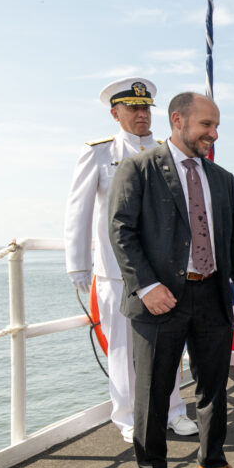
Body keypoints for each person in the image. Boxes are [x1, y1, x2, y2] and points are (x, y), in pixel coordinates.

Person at [108, 92, 234, 468]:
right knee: (154, 390)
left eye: (217, 125)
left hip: (211, 294)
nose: (214, 133)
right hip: (160, 298)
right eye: (206, 125)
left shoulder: (222, 178)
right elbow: (121, 231)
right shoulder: (138, 168)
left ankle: (212, 461)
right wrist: (147, 286)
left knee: (213, 386)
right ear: (178, 121)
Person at [64, 77, 198, 443]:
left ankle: (173, 411)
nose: (141, 114)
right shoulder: (98, 153)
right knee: (122, 350)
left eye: (145, 108)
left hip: (164, 272)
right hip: (116, 273)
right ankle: (126, 417)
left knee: (168, 348)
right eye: (133, 108)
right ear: (115, 113)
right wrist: (78, 265)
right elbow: (79, 211)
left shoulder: (167, 151)